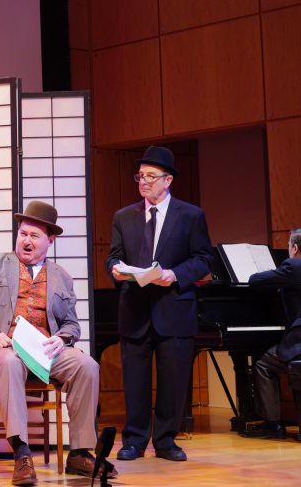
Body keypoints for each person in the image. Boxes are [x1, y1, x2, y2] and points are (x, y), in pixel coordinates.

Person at [0, 201, 116, 486]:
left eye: (34, 235)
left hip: (44, 350)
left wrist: (61, 338)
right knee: (9, 362)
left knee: (86, 365)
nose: (26, 241)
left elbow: (72, 325)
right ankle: (22, 454)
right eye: (23, 234)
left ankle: (79, 453)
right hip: (4, 349)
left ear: (50, 240)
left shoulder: (62, 276)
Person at [106, 146, 212, 462]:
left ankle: (166, 441)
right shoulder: (123, 216)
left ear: (168, 180)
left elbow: (203, 259)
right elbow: (113, 256)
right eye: (141, 176)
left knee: (173, 380)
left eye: (151, 176)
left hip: (174, 307)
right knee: (135, 380)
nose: (144, 182)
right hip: (134, 308)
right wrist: (114, 269)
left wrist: (174, 274)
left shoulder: (191, 215)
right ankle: (134, 441)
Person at [240, 227, 301, 440]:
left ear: (294, 248)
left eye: (288, 246)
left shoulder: (294, 267)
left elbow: (255, 281)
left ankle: (272, 424)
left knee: (263, 361)